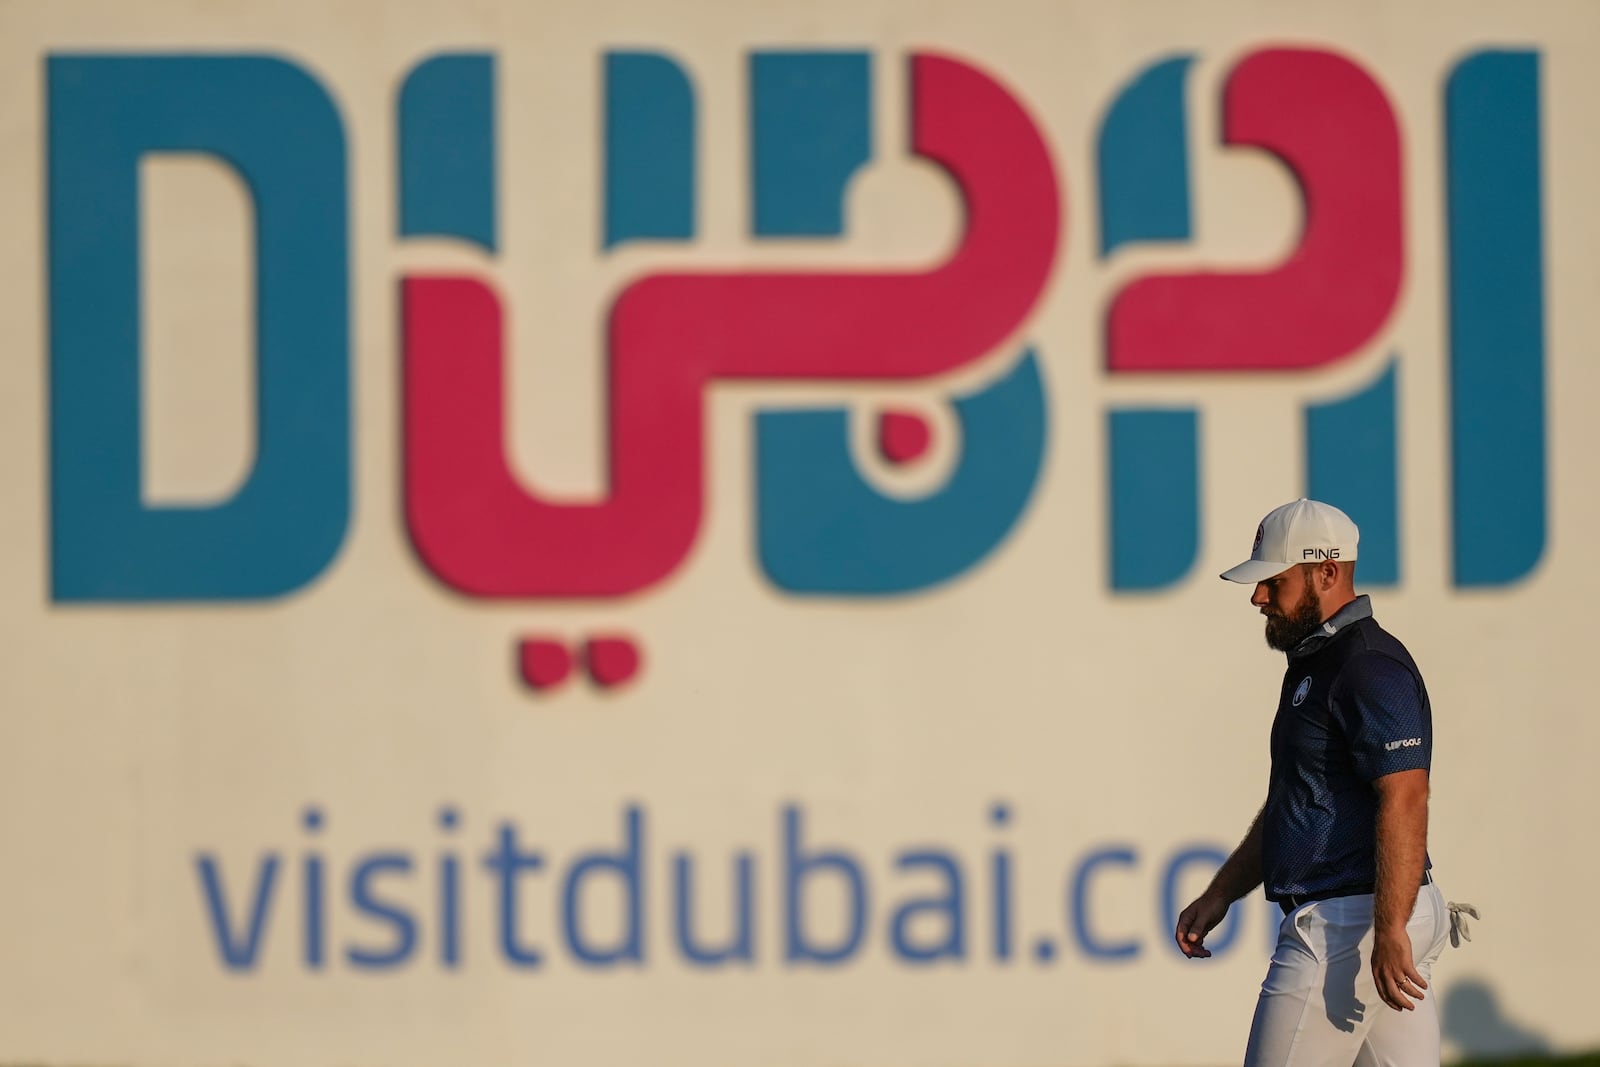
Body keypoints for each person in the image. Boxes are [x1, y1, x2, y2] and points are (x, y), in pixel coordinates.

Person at [1175, 498, 1453, 1066]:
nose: (1257, 598)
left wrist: (1389, 927)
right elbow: (1296, 802)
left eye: (1272, 582)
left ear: (1326, 572)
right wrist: (1222, 891)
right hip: (1370, 916)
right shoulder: (1319, 661)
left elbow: (1405, 794)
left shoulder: (1367, 664)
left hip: (1349, 924)